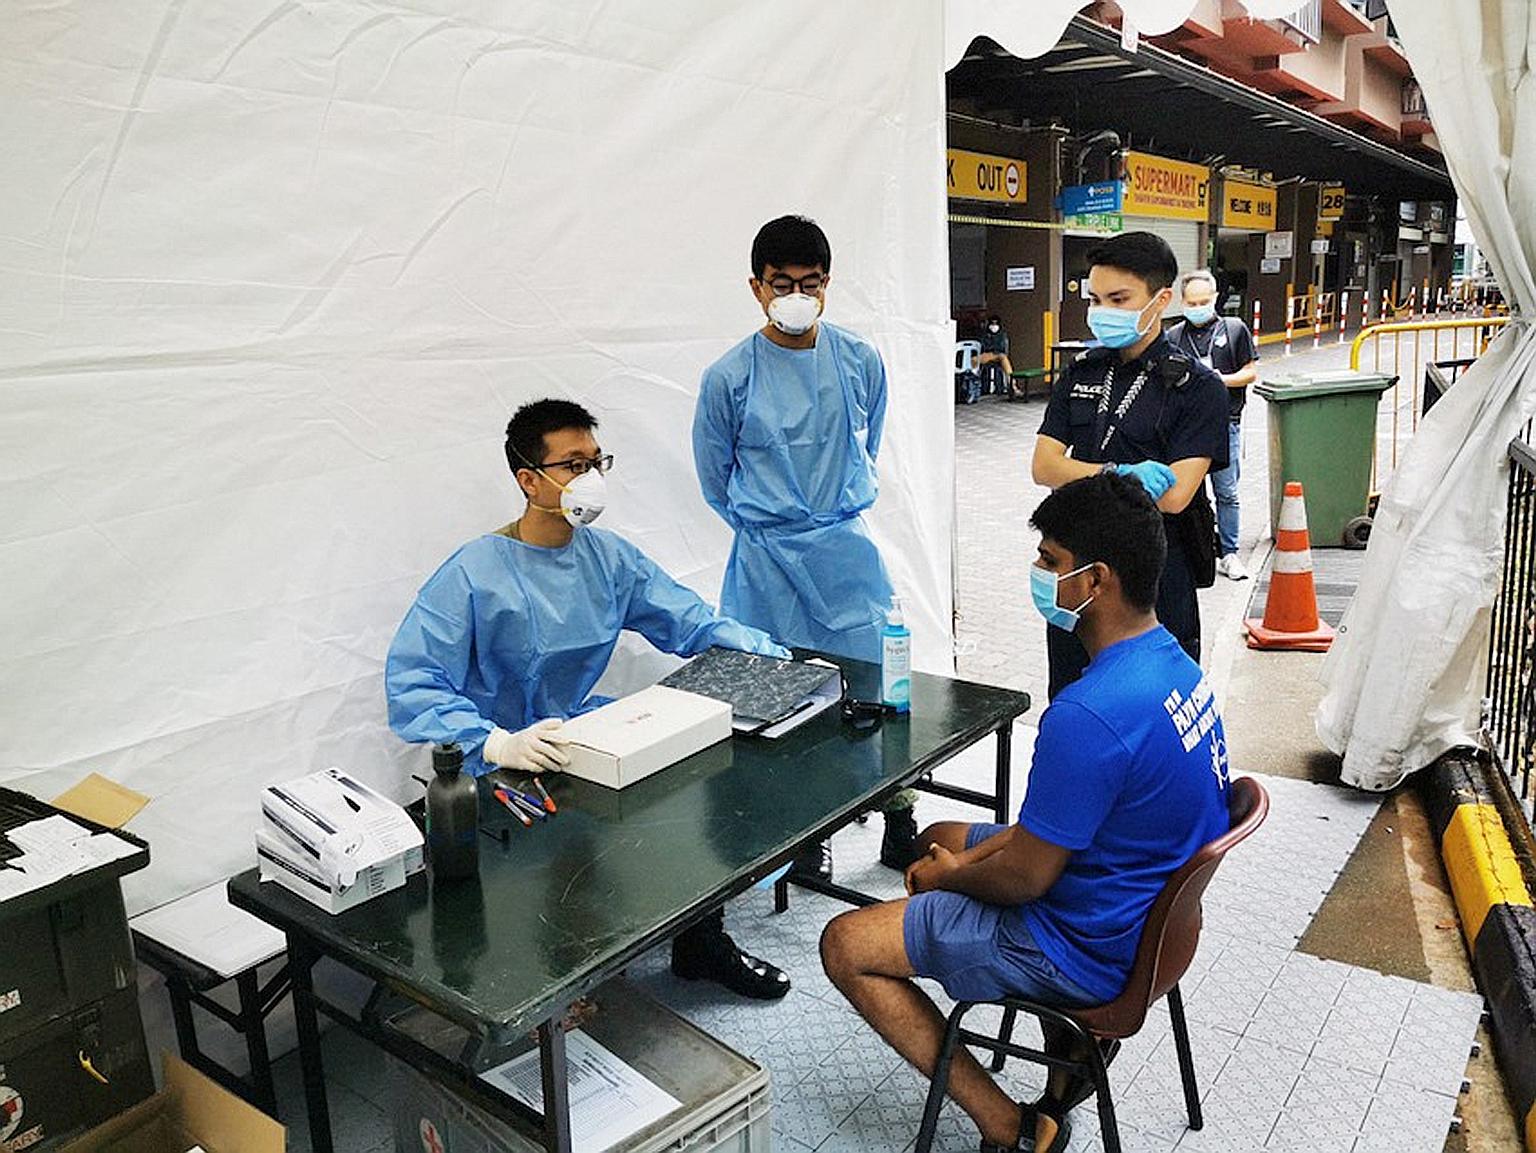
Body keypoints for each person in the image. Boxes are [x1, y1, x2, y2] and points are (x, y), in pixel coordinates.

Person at [819, 473, 1232, 1153]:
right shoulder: (1176, 667)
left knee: (846, 943)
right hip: (1145, 909)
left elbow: (1025, 881)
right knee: (939, 832)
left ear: (1095, 580)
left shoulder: (1089, 712)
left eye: (1050, 561)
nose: (1039, 574)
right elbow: (1060, 831)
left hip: (1082, 945)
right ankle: (1058, 1048)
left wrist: (951, 878)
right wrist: (956, 855)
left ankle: (1015, 1127)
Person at [386, 399, 795, 1000]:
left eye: (596, 460)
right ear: (529, 479)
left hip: (585, 734)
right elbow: (413, 680)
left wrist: (765, 652)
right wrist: (498, 740)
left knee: (699, 791)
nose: (590, 478)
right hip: (502, 764)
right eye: (572, 464)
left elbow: (687, 620)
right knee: (554, 876)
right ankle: (559, 987)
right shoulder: (474, 572)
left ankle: (701, 941)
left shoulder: (609, 559)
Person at [692, 214, 920, 875]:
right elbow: (715, 481)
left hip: (846, 555)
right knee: (774, 699)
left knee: (877, 686)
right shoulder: (728, 378)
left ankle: (898, 815)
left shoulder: (859, 360)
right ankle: (802, 833)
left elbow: (865, 444)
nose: (797, 295)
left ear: (828, 284)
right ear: (756, 287)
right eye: (782, 282)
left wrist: (825, 510)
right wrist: (775, 523)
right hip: (765, 562)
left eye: (811, 283)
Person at [1031, 231, 1229, 699]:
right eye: (1096, 299)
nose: (1104, 312)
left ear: (1161, 300)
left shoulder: (1198, 388)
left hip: (1154, 575)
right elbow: (1043, 465)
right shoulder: (1083, 370)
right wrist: (1116, 473)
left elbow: (1177, 495)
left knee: (1154, 701)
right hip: (1079, 571)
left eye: (1119, 299)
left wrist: (1078, 470)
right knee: (1071, 693)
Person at [1164, 270, 1260, 581]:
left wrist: (1219, 380)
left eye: (1204, 301)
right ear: (1182, 302)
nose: (1198, 307)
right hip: (1186, 429)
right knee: (1189, 492)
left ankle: (1229, 553)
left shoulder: (1234, 329)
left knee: (1227, 491)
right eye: (1192, 302)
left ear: (1216, 298)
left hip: (1225, 423)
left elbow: (1250, 372)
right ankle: (1197, 550)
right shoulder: (1174, 336)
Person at [978, 314, 1015, 397]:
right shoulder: (985, 335)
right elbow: (984, 347)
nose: (994, 326)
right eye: (992, 324)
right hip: (986, 356)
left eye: (996, 324)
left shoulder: (1002, 335)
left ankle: (1012, 385)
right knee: (1003, 358)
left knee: (1003, 358)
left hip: (997, 356)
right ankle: (1012, 385)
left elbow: (1002, 347)